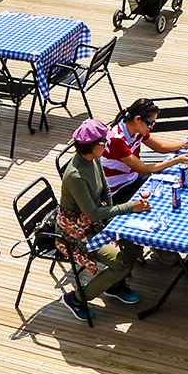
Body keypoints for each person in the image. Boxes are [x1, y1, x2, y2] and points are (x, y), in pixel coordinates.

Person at [56, 120, 149, 319]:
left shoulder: (93, 158)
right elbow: (92, 214)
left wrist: (111, 214)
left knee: (134, 240)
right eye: (103, 142)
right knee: (120, 262)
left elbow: (105, 187)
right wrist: (129, 208)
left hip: (96, 220)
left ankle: (114, 284)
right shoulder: (76, 175)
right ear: (92, 145)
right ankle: (76, 298)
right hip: (77, 230)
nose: (107, 144)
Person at [101, 100, 188, 201]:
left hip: (132, 179)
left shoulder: (136, 129)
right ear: (137, 119)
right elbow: (143, 170)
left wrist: (186, 144)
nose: (152, 127)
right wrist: (177, 160)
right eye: (150, 123)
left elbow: (161, 147)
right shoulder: (116, 139)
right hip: (116, 190)